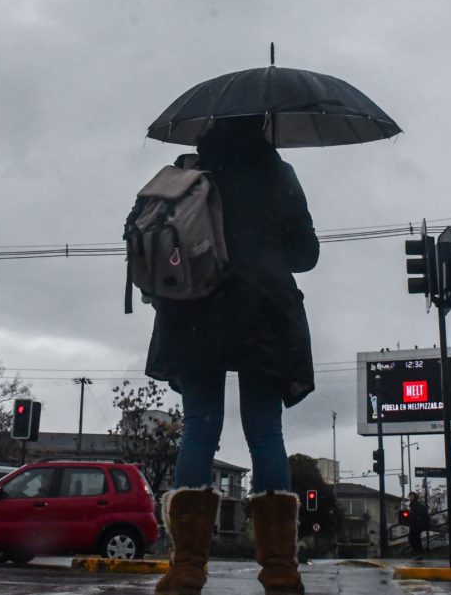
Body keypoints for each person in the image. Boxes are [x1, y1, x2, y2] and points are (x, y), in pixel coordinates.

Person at [146, 116, 319, 595]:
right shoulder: (278, 174)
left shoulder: (193, 173)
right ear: (262, 123)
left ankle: (186, 572)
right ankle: (281, 572)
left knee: (199, 428)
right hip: (263, 314)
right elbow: (306, 255)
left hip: (195, 311)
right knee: (265, 433)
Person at [407, 491, 429, 559]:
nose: (410, 497)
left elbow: (421, 514)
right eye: (409, 496)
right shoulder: (413, 504)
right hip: (415, 525)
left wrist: (418, 522)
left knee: (414, 538)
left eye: (411, 496)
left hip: (417, 525)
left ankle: (418, 553)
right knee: (414, 538)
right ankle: (418, 553)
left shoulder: (416, 504)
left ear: (414, 497)